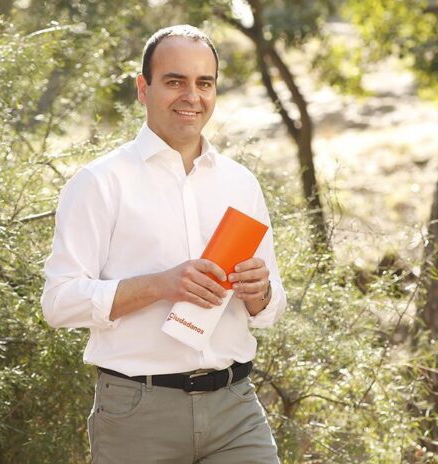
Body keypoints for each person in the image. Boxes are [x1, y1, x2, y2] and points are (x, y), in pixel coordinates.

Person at [41, 24, 287, 464]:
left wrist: (260, 292)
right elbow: (58, 303)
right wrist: (160, 285)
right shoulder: (100, 182)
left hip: (236, 411)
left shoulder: (241, 183)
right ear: (143, 88)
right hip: (138, 416)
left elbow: (270, 309)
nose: (192, 96)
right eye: (175, 81)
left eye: (204, 83)